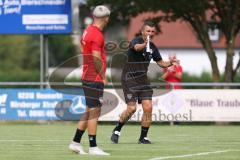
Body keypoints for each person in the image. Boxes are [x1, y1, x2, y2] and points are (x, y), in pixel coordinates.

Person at [111, 21, 178, 144]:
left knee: (148, 107)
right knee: (131, 109)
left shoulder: (152, 47)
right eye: (148, 31)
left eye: (152, 31)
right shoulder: (135, 41)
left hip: (143, 80)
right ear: (142, 31)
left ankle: (143, 138)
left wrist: (171, 62)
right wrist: (144, 44)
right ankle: (117, 130)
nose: (150, 33)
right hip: (129, 79)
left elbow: (161, 62)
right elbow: (137, 48)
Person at [69, 5, 110, 155]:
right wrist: (103, 76)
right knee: (94, 112)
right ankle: (93, 147)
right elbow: (96, 58)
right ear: (107, 18)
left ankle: (75, 142)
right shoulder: (97, 34)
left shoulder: (87, 31)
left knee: (89, 111)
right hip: (94, 78)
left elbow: (82, 48)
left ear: (94, 17)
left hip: (87, 75)